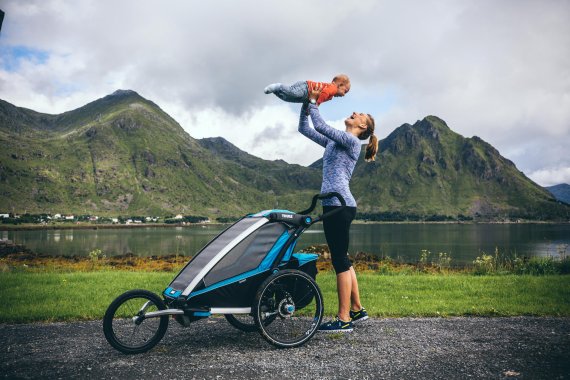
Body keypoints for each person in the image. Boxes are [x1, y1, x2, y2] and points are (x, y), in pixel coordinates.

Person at [298, 84, 378, 333]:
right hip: (338, 204)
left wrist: (314, 102)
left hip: (339, 205)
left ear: (362, 127)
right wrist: (305, 105)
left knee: (340, 262)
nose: (354, 112)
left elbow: (321, 125)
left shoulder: (351, 142)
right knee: (344, 259)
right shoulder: (335, 143)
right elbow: (305, 128)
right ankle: (357, 309)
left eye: (359, 115)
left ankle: (343, 319)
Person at [264, 74, 350, 106]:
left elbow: (316, 100)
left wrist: (311, 107)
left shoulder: (330, 96)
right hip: (306, 88)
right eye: (345, 91)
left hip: (306, 96)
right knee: (293, 93)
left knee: (288, 98)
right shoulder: (333, 88)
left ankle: (275, 91)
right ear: (340, 85)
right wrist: (317, 104)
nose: (344, 95)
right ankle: (278, 86)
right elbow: (324, 93)